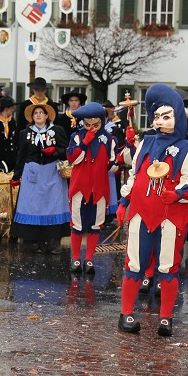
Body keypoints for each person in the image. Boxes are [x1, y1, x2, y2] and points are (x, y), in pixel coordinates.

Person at [115, 85, 188, 337]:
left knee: (168, 266)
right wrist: (124, 202)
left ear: (178, 118)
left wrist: (177, 195)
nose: (160, 121)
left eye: (167, 116)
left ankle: (165, 318)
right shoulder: (145, 143)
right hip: (141, 212)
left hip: (171, 216)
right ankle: (126, 313)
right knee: (134, 263)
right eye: (157, 116)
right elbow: (134, 174)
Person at [10, 101, 69, 251]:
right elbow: (21, 155)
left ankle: (53, 242)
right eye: (35, 113)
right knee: (32, 206)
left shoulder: (57, 130)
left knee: (53, 206)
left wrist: (55, 151)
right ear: (32, 117)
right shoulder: (25, 133)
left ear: (47, 115)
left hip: (52, 174)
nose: (38, 115)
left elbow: (66, 151)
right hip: (32, 173)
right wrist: (16, 175)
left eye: (41, 113)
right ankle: (32, 241)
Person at [66, 102, 116, 274]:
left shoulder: (109, 139)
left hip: (100, 188)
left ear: (102, 121)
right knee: (77, 224)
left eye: (95, 125)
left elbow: (113, 164)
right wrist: (85, 142)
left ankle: (89, 259)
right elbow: (72, 158)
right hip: (80, 187)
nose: (92, 128)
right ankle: (75, 258)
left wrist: (131, 146)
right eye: (87, 125)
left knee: (96, 224)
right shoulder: (77, 136)